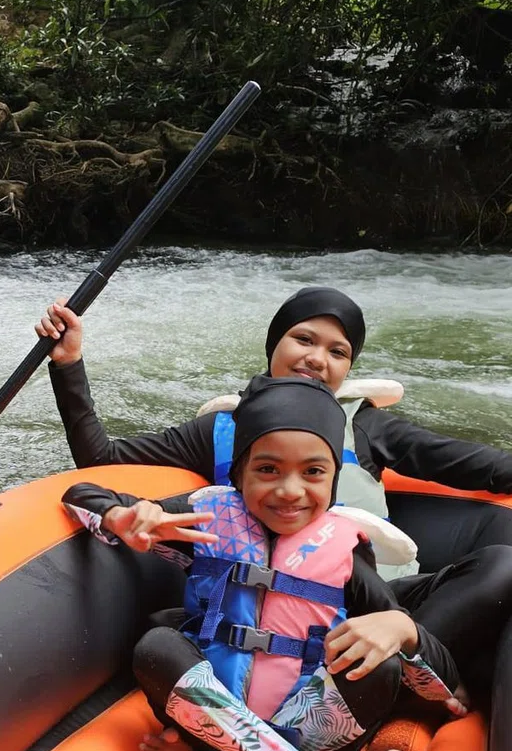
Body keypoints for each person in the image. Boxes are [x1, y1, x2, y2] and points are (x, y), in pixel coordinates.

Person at [37, 282, 512, 708]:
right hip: (275, 612)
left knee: (501, 565)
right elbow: (101, 461)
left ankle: (414, 673)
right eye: (303, 339)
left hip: (383, 598)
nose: (317, 359)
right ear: (275, 344)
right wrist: (69, 365)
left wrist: (402, 626)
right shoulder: (222, 429)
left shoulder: (368, 425)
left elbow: (480, 465)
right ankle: (407, 692)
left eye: (338, 351)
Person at [63, 375, 466, 751]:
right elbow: (80, 493)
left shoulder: (346, 550)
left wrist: (403, 628)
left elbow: (440, 685)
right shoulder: (205, 520)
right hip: (211, 723)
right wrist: (122, 516)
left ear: (333, 479)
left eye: (313, 472)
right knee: (156, 648)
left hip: (311, 732)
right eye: (267, 469)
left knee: (379, 665)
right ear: (239, 473)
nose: (290, 491)